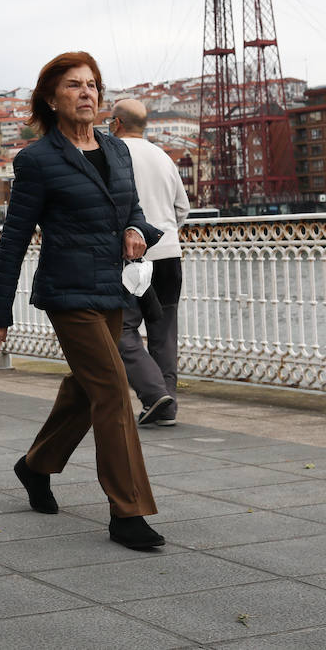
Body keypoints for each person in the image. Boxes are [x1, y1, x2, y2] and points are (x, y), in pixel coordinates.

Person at [0, 51, 166, 552]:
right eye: (74, 86)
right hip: (67, 292)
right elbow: (14, 238)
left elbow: (138, 215)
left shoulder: (118, 151)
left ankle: (35, 464)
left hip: (113, 289)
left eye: (92, 85)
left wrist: (134, 230)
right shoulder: (37, 160)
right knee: (111, 389)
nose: (87, 93)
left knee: (87, 389)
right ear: (51, 98)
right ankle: (128, 512)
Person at [111, 99, 189, 427]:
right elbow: (182, 209)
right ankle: (165, 406)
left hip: (132, 257)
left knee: (119, 328)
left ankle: (154, 393)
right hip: (169, 253)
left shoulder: (111, 154)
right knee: (163, 330)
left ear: (116, 123)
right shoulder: (163, 156)